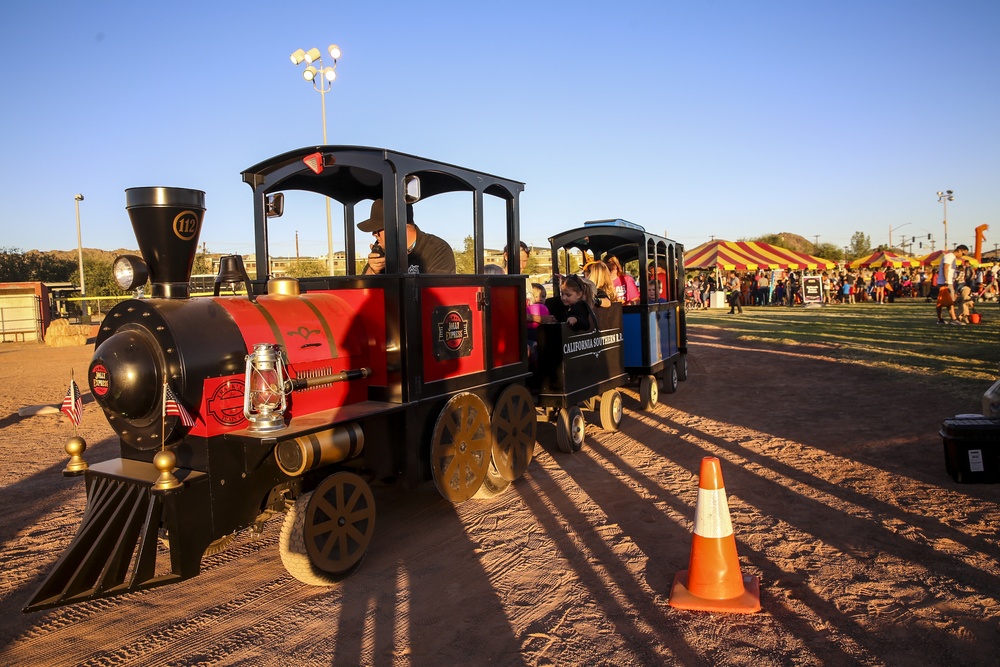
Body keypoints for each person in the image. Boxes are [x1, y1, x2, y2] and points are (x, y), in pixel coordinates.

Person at [358, 199, 456, 275]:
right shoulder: (381, 251)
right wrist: (372, 271)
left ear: (399, 228)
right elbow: (361, 295)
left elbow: (434, 296)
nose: (374, 234)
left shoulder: (437, 250)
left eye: (378, 229)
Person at [936, 244, 969, 324]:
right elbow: (945, 267)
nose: (963, 256)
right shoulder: (950, 256)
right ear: (960, 250)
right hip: (946, 282)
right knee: (949, 301)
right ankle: (953, 319)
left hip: (947, 281)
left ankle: (940, 320)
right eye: (963, 254)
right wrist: (946, 281)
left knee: (942, 301)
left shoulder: (952, 258)